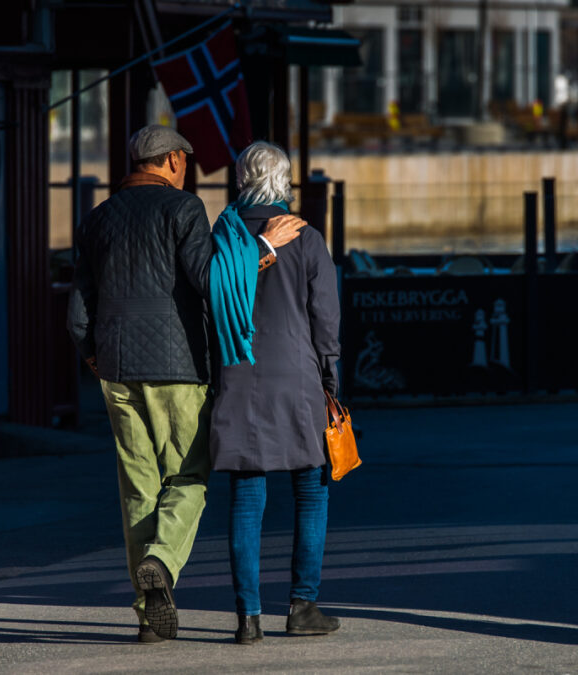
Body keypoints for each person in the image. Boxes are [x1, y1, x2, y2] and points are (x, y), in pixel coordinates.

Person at [67, 125, 306, 643]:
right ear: (172, 160)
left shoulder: (95, 219)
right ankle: (161, 561)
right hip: (177, 367)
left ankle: (147, 613)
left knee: (138, 490)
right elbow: (209, 278)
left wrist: (91, 354)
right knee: (189, 478)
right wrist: (264, 246)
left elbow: (78, 307)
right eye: (185, 161)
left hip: (115, 367)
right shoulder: (184, 209)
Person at [209, 141, 342, 645]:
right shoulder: (305, 238)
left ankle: (248, 617)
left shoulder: (222, 232)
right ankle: (303, 605)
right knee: (311, 491)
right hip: (299, 378)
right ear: (284, 180)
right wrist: (332, 380)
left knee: (246, 496)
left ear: (241, 177)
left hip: (237, 375)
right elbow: (325, 319)